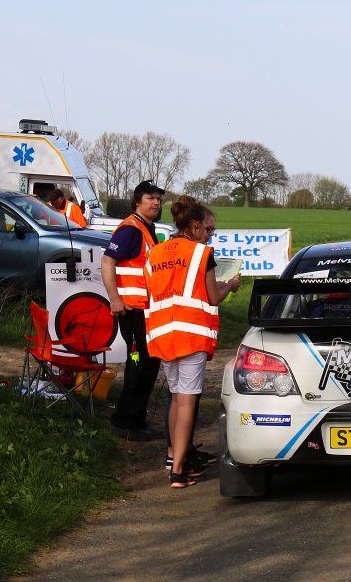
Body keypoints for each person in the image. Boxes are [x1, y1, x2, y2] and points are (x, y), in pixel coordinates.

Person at [144, 197, 241, 488]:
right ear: (195, 225)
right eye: (208, 229)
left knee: (176, 398)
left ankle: (175, 458)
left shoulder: (156, 253)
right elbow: (212, 297)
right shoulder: (202, 252)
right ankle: (179, 470)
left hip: (162, 333)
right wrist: (230, 287)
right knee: (187, 402)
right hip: (191, 333)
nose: (210, 234)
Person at [102, 180, 166, 441]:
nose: (155, 203)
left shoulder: (146, 228)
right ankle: (127, 421)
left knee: (142, 365)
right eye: (150, 198)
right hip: (134, 312)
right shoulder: (131, 229)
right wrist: (114, 299)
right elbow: (107, 261)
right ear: (137, 202)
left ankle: (133, 419)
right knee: (140, 365)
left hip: (145, 313)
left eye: (158, 199)